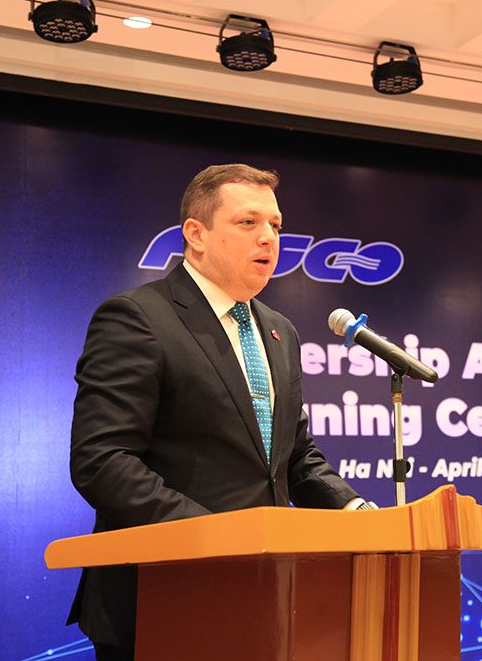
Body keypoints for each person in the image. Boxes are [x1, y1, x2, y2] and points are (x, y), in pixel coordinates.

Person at [66, 164, 369, 660]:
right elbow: (103, 461)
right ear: (196, 234)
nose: (269, 237)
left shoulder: (280, 331)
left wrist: (358, 513)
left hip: (264, 596)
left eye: (275, 225)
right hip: (162, 599)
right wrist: (216, 537)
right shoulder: (138, 317)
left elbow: (294, 457)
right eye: (248, 222)